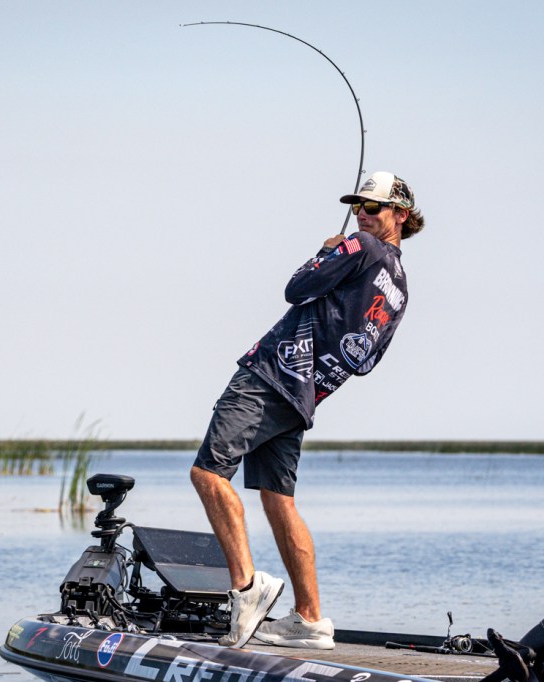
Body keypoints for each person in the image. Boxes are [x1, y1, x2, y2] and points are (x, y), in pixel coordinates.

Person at [190, 171, 425, 650]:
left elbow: (296, 289)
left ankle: (246, 588)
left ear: (401, 215)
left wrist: (326, 251)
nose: (362, 215)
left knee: (208, 473)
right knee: (278, 500)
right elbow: (366, 362)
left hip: (271, 374)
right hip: (305, 395)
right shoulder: (400, 289)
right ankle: (311, 620)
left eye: (373, 207)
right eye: (358, 206)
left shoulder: (360, 247)